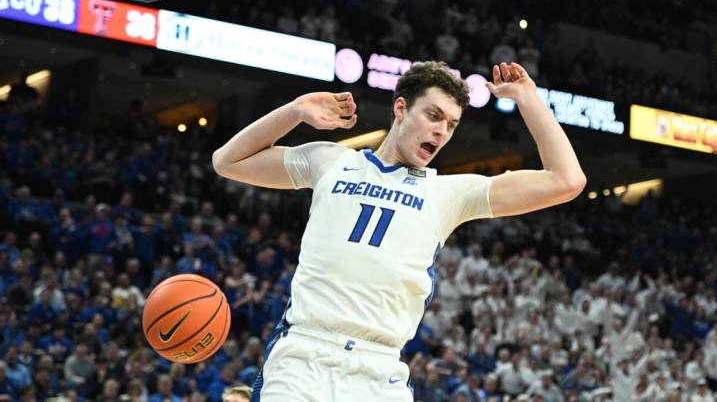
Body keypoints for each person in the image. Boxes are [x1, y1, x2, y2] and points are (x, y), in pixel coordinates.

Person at [212, 61, 586, 402]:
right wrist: (294, 112)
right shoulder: (331, 161)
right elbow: (228, 161)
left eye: (451, 125)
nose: (441, 131)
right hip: (305, 354)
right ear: (401, 108)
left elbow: (566, 180)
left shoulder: (448, 194)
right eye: (434, 115)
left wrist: (528, 99)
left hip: (379, 368)